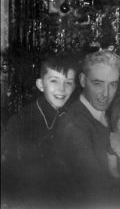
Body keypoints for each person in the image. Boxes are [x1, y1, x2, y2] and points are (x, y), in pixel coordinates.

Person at [1, 53, 77, 206]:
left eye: (68, 82)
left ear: (74, 86)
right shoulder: (21, 123)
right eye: (54, 81)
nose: (61, 89)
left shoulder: (70, 117)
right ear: (41, 85)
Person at [55, 49, 120, 207]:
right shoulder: (76, 126)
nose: (106, 94)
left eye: (112, 85)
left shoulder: (101, 114)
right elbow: (97, 192)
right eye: (98, 83)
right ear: (83, 80)